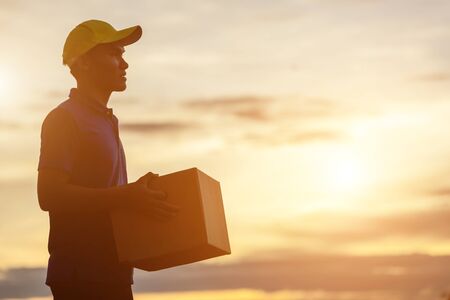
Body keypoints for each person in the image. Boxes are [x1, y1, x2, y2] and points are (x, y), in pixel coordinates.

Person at [37, 19, 179, 300]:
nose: (124, 64)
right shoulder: (64, 119)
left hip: (114, 272)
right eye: (114, 54)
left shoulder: (106, 121)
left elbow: (109, 198)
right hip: (80, 277)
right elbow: (49, 195)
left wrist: (139, 196)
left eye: (123, 56)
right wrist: (127, 196)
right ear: (85, 63)